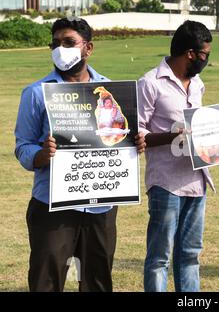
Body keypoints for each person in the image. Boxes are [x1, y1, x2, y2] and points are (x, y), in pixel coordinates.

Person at [14, 17, 146, 292]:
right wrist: (41, 154)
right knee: (45, 281)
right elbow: (23, 146)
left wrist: (136, 143)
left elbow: (121, 136)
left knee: (97, 281)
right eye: (55, 43)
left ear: (88, 48)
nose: (60, 48)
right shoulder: (36, 93)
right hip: (52, 206)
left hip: (101, 206)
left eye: (68, 42)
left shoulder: (113, 90)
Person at [138, 20, 214, 292]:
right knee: (160, 257)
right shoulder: (150, 83)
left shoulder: (197, 83)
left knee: (190, 255)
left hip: (196, 180)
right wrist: (175, 136)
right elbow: (138, 135)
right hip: (165, 184)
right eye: (205, 54)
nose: (207, 59)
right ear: (190, 54)